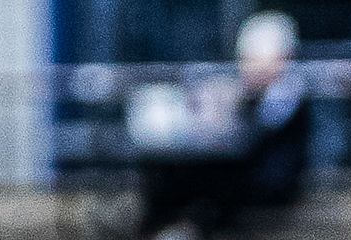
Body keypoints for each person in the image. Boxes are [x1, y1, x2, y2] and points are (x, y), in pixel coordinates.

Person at [130, 13, 310, 240]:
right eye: (247, 58)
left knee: (201, 176)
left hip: (268, 183)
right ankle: (160, 224)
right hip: (249, 174)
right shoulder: (258, 93)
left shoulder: (287, 91)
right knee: (172, 167)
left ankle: (169, 226)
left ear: (283, 57)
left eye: (257, 58)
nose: (249, 66)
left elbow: (255, 135)